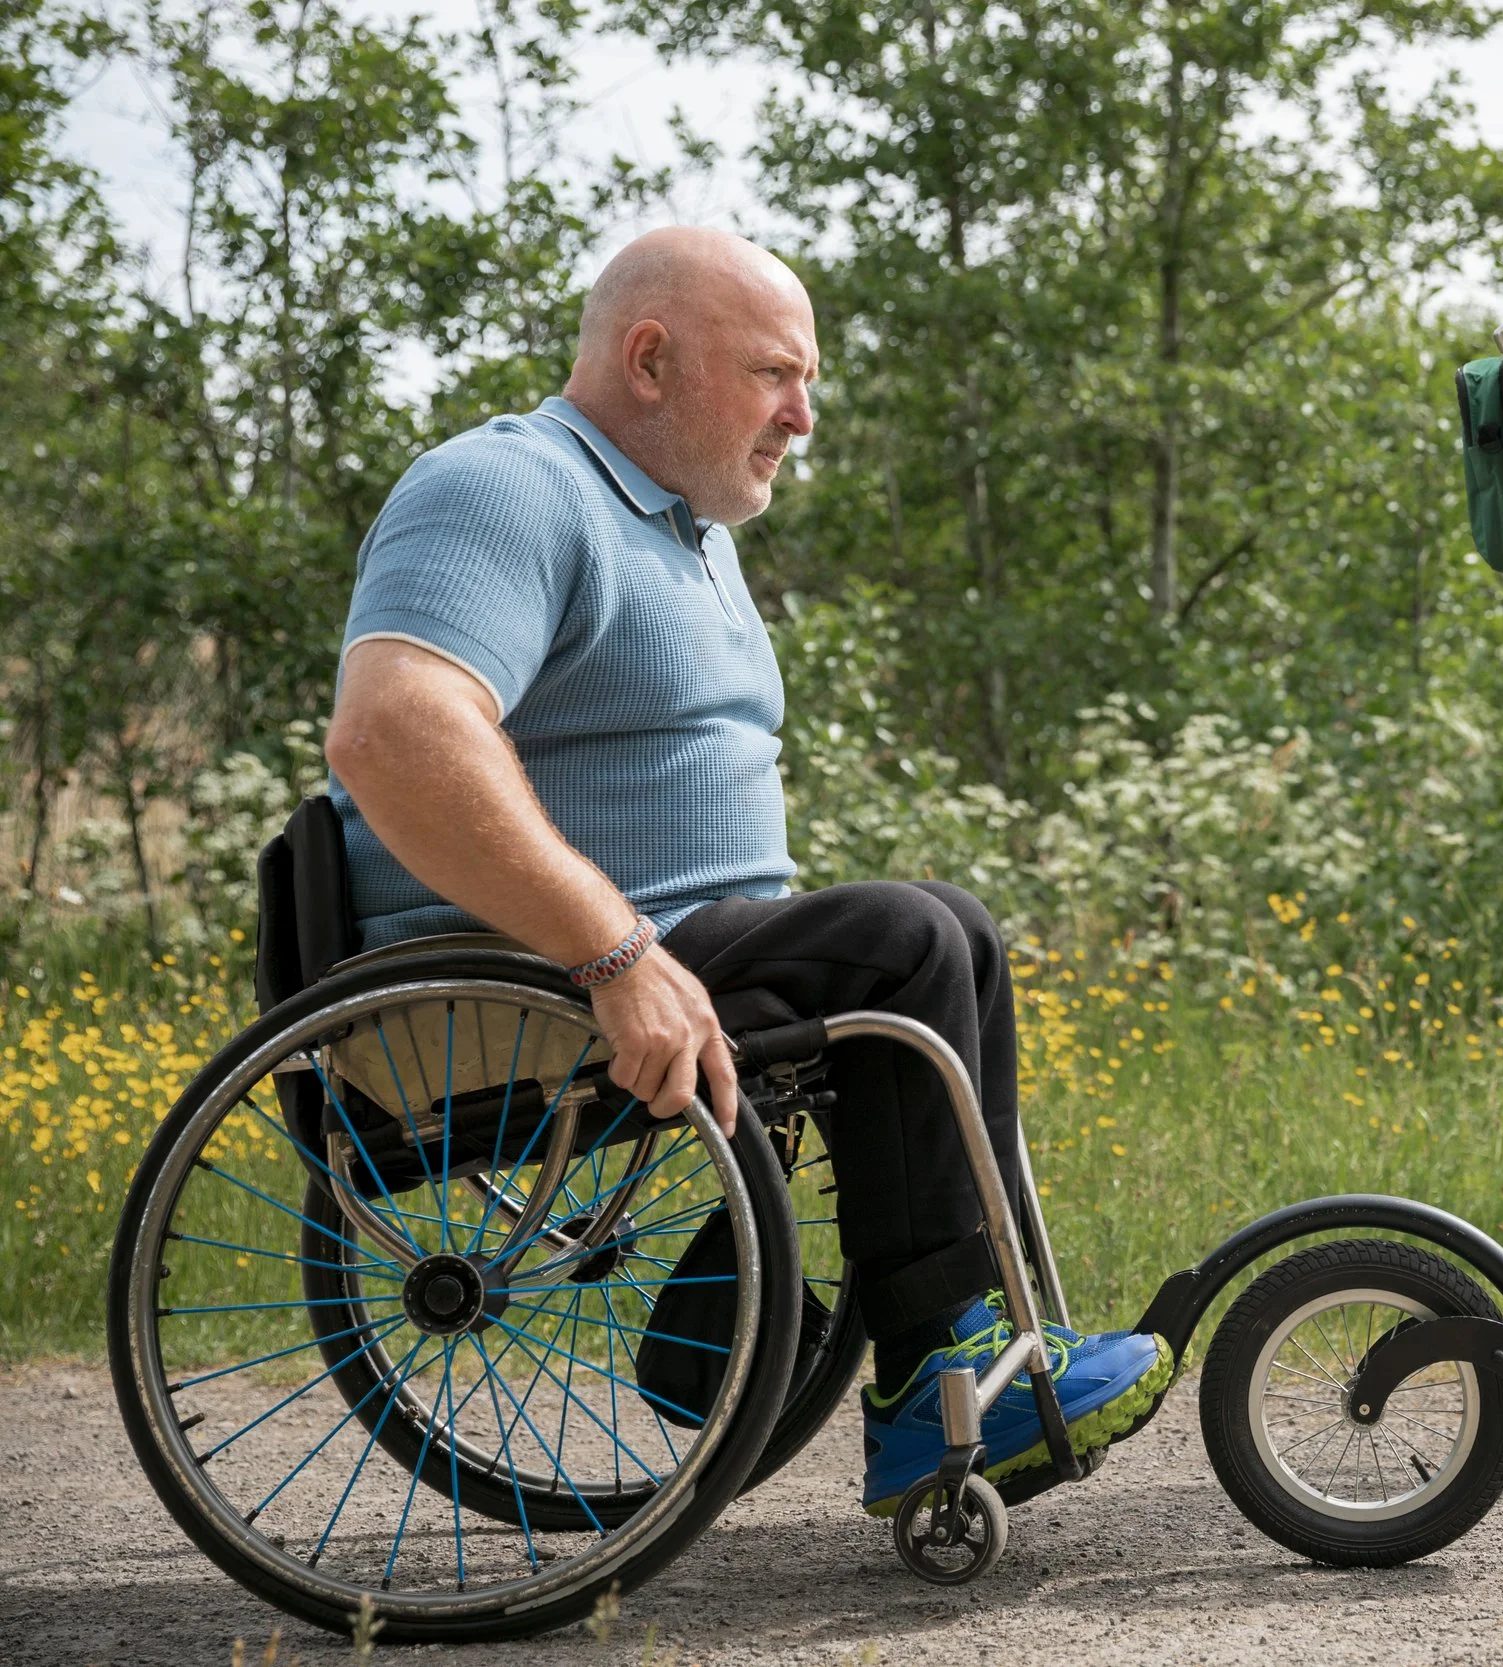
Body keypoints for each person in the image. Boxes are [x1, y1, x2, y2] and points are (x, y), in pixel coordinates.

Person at [322, 225, 1169, 1516]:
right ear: (650, 358)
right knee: (905, 937)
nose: (805, 417)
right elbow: (394, 731)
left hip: (665, 948)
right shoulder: (506, 486)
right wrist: (612, 953)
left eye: (808, 381)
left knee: (950, 927)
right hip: (500, 991)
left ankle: (968, 1361)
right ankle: (932, 1386)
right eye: (777, 374)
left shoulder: (683, 530)